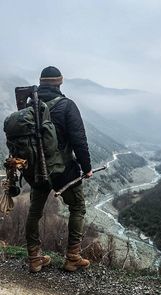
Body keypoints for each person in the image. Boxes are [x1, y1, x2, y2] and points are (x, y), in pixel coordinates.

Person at [25, 66, 92, 272]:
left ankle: (35, 258)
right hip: (63, 172)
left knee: (34, 212)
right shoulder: (67, 106)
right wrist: (86, 167)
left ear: (41, 82)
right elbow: (79, 140)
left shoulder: (29, 106)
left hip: (36, 170)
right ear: (59, 83)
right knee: (77, 207)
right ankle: (72, 257)